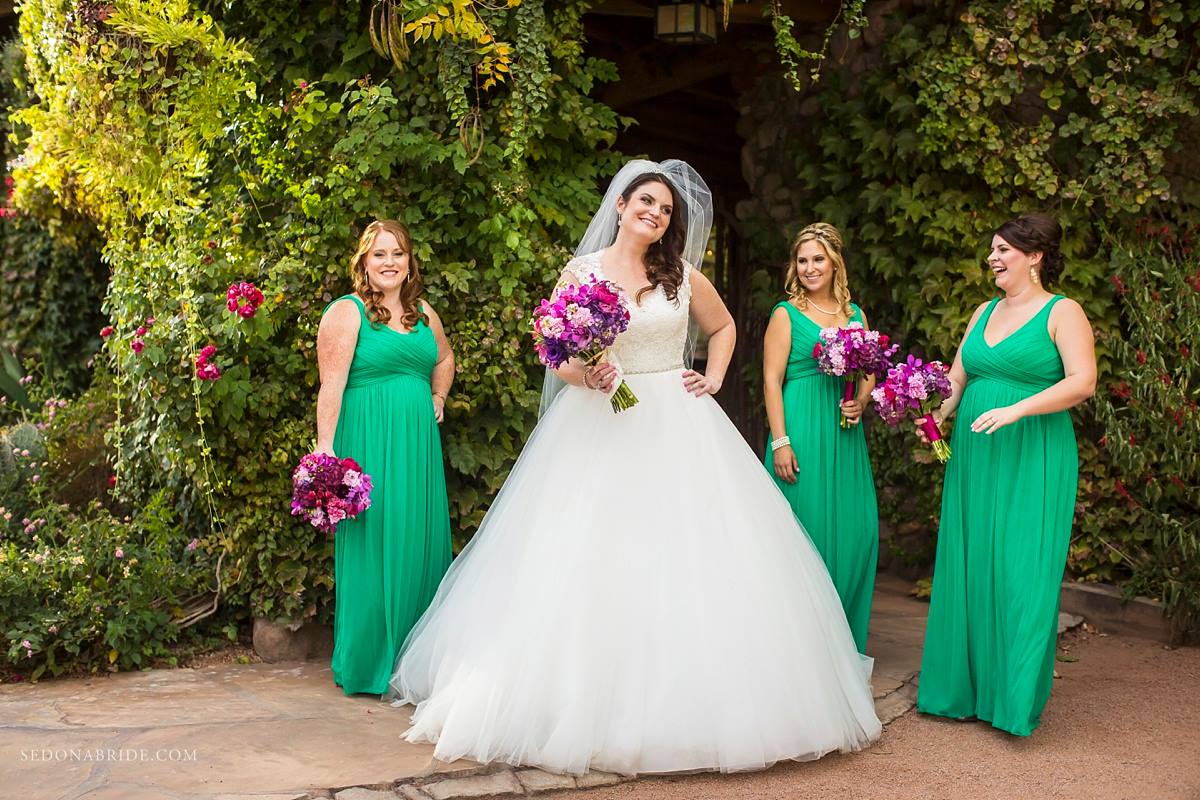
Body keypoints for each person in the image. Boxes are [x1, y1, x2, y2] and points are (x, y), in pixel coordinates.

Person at [387, 160, 881, 776]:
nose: (656, 213)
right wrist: (586, 374)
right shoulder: (583, 273)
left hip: (678, 418)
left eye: (666, 209)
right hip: (599, 423)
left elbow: (723, 327)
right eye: (646, 202)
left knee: (690, 557)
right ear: (620, 207)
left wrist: (716, 375)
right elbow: (557, 355)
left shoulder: (681, 276)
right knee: (590, 557)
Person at [916, 213, 1096, 736]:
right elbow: (955, 379)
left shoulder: (1064, 312)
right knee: (971, 565)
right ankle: (963, 693)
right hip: (976, 454)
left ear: (1034, 256)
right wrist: (928, 418)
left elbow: (1083, 382)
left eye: (1003, 251)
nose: (992, 259)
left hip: (1033, 451)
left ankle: (1012, 701)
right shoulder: (982, 311)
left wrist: (1018, 410)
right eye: (992, 251)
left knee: (1021, 571)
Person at [315, 219, 455, 695]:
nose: (389, 262)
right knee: (374, 545)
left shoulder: (423, 313)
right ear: (364, 262)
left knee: (419, 540)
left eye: (397, 253)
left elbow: (444, 359)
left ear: (409, 261)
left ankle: (414, 664)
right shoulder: (347, 312)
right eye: (379, 254)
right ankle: (368, 663)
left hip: (418, 449)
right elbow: (330, 385)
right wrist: (325, 449)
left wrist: (438, 396)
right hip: (369, 445)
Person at [762, 223, 879, 653]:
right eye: (803, 259)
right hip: (802, 430)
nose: (810, 268)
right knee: (804, 534)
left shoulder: (854, 315)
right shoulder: (785, 313)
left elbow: (868, 370)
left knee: (857, 533)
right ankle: (799, 651)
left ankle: (841, 647)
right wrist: (781, 441)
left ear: (835, 264)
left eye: (818, 259)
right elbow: (772, 381)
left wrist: (863, 400)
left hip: (844, 434)